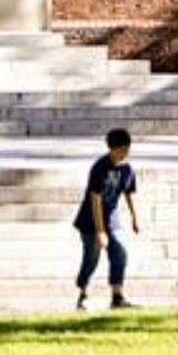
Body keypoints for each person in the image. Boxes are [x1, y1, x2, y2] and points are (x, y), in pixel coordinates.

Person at [75, 127, 142, 311]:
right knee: (92, 259)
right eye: (120, 151)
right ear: (111, 149)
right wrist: (100, 231)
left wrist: (135, 217)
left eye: (126, 150)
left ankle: (117, 297)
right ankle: (83, 295)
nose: (123, 154)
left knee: (120, 254)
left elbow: (129, 193)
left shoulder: (127, 169)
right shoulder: (100, 167)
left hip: (112, 220)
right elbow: (94, 198)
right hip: (90, 221)